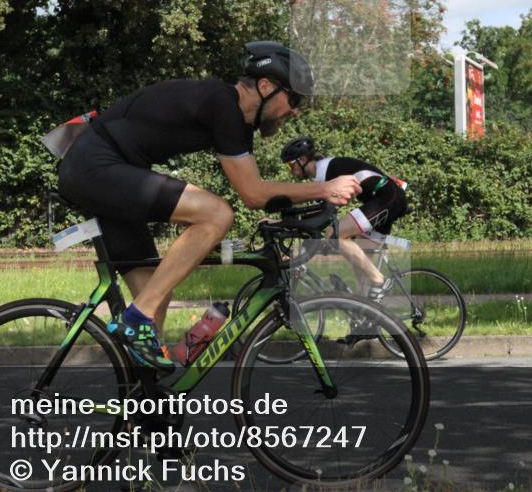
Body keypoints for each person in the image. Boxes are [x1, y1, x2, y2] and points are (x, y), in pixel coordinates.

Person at [57, 42, 361, 371]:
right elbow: (253, 194)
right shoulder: (222, 103)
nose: (296, 111)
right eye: (294, 99)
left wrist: (306, 204)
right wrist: (324, 188)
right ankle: (135, 316)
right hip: (95, 166)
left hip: (108, 173)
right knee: (216, 214)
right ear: (266, 87)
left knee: (157, 297)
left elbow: (255, 191)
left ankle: (143, 409)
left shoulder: (237, 124)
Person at [280, 136, 407, 297]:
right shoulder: (323, 173)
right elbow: (313, 218)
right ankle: (364, 308)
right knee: (359, 257)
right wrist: (295, 245)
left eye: (290, 165)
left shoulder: (325, 171)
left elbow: (318, 218)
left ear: (303, 160)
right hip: (386, 199)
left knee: (335, 235)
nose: (291, 171)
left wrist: (286, 231)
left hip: (387, 198)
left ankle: (380, 281)